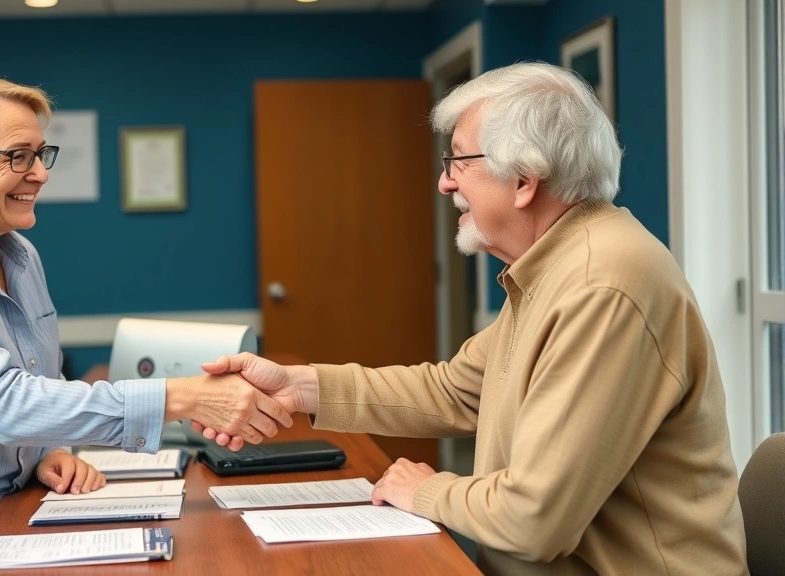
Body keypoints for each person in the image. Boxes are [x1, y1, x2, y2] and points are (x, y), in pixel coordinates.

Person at [197, 62, 748, 575]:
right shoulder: (556, 264)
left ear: (525, 180)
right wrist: (297, 386)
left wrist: (429, 489)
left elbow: (535, 521)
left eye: (459, 160)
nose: (446, 182)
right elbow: (456, 392)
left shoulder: (600, 283)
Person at [0, 68, 291, 575]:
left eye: (40, 154)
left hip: (2, 519)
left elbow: (40, 380)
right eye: (18, 156)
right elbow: (4, 401)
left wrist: (47, 451)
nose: (40, 173)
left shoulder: (19, 255)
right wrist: (186, 396)